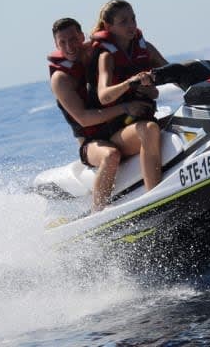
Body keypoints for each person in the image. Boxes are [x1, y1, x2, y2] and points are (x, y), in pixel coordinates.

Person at [49, 17, 156, 212]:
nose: (69, 46)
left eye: (73, 39)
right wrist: (126, 108)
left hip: (117, 131)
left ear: (82, 36)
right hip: (91, 144)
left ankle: (155, 192)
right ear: (56, 45)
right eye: (62, 43)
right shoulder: (61, 79)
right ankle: (98, 212)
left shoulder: (98, 53)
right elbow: (84, 119)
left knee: (153, 130)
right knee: (111, 155)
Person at [90, 0, 169, 194]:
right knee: (150, 129)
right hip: (116, 133)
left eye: (133, 19)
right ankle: (154, 197)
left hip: (140, 120)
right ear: (109, 27)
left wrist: (206, 74)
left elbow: (172, 72)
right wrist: (129, 83)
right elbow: (104, 96)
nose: (131, 25)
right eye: (123, 21)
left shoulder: (145, 48)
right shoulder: (106, 56)